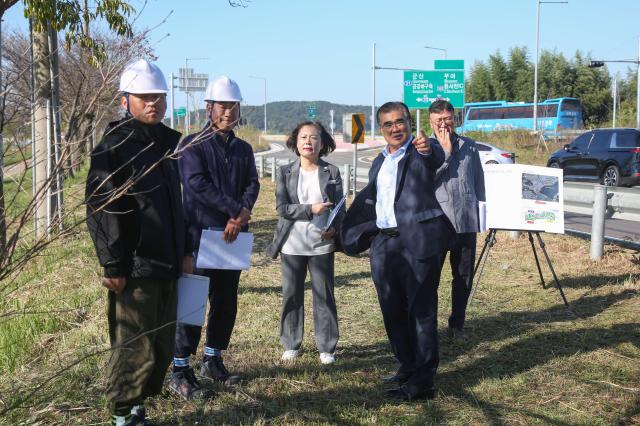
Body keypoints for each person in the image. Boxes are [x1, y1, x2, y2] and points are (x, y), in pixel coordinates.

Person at [85, 59, 193, 426]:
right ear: (124, 100)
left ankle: (137, 407)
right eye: (145, 97)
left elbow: (176, 206)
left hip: (167, 262)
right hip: (135, 266)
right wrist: (113, 264)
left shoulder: (166, 145)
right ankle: (121, 414)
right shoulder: (113, 147)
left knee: (160, 347)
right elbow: (102, 208)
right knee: (134, 345)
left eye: (159, 97)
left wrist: (186, 251)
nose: (154, 104)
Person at [340, 101, 453, 401]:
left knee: (421, 312)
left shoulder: (420, 150)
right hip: (384, 244)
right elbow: (373, 198)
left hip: (417, 241)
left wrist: (428, 147)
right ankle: (406, 365)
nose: (395, 128)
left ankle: (423, 381)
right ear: (381, 128)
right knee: (391, 310)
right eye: (388, 124)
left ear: (409, 123)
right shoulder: (379, 160)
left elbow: (436, 157)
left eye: (399, 122)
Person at [168, 76, 260, 399]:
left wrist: (243, 211)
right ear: (209, 107)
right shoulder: (191, 144)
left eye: (233, 106)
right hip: (199, 235)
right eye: (222, 106)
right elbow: (197, 184)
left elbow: (253, 182)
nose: (228, 112)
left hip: (232, 239)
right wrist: (236, 211)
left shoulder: (243, 148)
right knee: (192, 301)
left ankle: (213, 358)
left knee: (226, 300)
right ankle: (180, 368)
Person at [266, 121, 345, 365]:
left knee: (324, 295)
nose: (308, 142)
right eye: (303, 137)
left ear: (322, 143)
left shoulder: (331, 172)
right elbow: (282, 208)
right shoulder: (285, 172)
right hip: (292, 243)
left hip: (321, 243)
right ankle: (291, 343)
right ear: (295, 142)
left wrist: (335, 228)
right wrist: (310, 209)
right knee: (291, 295)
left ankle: (327, 347)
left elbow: (341, 208)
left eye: (314, 138)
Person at [430, 100, 486, 341]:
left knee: (463, 277)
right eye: (438, 120)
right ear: (430, 123)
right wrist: (445, 152)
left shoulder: (470, 147)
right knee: (430, 279)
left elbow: (478, 182)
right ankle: (427, 326)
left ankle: (457, 325)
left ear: (454, 119)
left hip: (465, 221)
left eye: (447, 119)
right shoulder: (425, 148)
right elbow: (425, 179)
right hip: (437, 224)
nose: (444, 124)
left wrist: (482, 213)